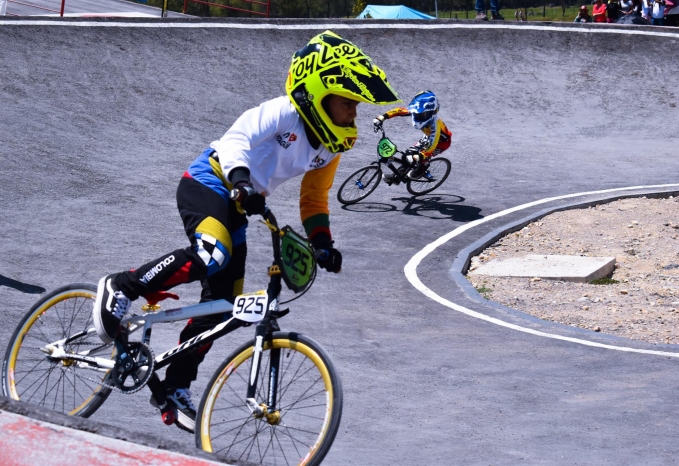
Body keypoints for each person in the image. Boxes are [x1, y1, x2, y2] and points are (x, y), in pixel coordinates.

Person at [92, 30, 400, 433]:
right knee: (212, 253)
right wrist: (240, 180)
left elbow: (314, 200)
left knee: (224, 307)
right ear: (319, 96)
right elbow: (236, 139)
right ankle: (123, 285)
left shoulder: (331, 147)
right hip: (210, 182)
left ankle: (176, 385)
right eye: (348, 103)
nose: (354, 113)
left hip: (241, 205)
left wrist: (323, 244)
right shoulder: (283, 112)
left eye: (356, 106)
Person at [372, 91, 452, 185]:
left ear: (431, 114)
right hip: (428, 136)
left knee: (421, 158)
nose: (418, 116)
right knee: (407, 154)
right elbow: (399, 111)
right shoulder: (418, 111)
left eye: (422, 115)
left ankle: (421, 169)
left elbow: (432, 144)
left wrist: (421, 156)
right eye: (418, 114)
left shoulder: (435, 126)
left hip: (442, 142)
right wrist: (383, 117)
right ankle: (398, 176)